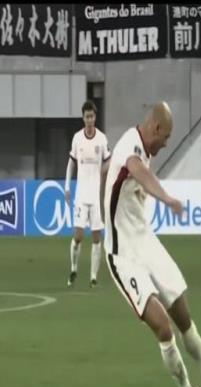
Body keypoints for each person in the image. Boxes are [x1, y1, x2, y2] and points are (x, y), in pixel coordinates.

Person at [103, 101, 201, 387]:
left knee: (183, 314)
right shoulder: (131, 147)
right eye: (165, 137)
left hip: (146, 242)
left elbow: (111, 170)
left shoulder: (143, 146)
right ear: (155, 128)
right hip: (123, 255)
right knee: (164, 327)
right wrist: (167, 198)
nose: (166, 144)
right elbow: (138, 171)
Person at [65, 100, 110, 287]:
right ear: (83, 118)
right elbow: (71, 164)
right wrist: (67, 187)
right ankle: (74, 268)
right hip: (81, 195)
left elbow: (108, 163)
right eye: (86, 117)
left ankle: (93, 277)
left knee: (97, 237)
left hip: (96, 196)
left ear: (95, 117)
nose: (89, 120)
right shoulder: (77, 138)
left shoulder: (102, 139)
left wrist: (106, 182)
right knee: (78, 236)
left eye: (92, 116)